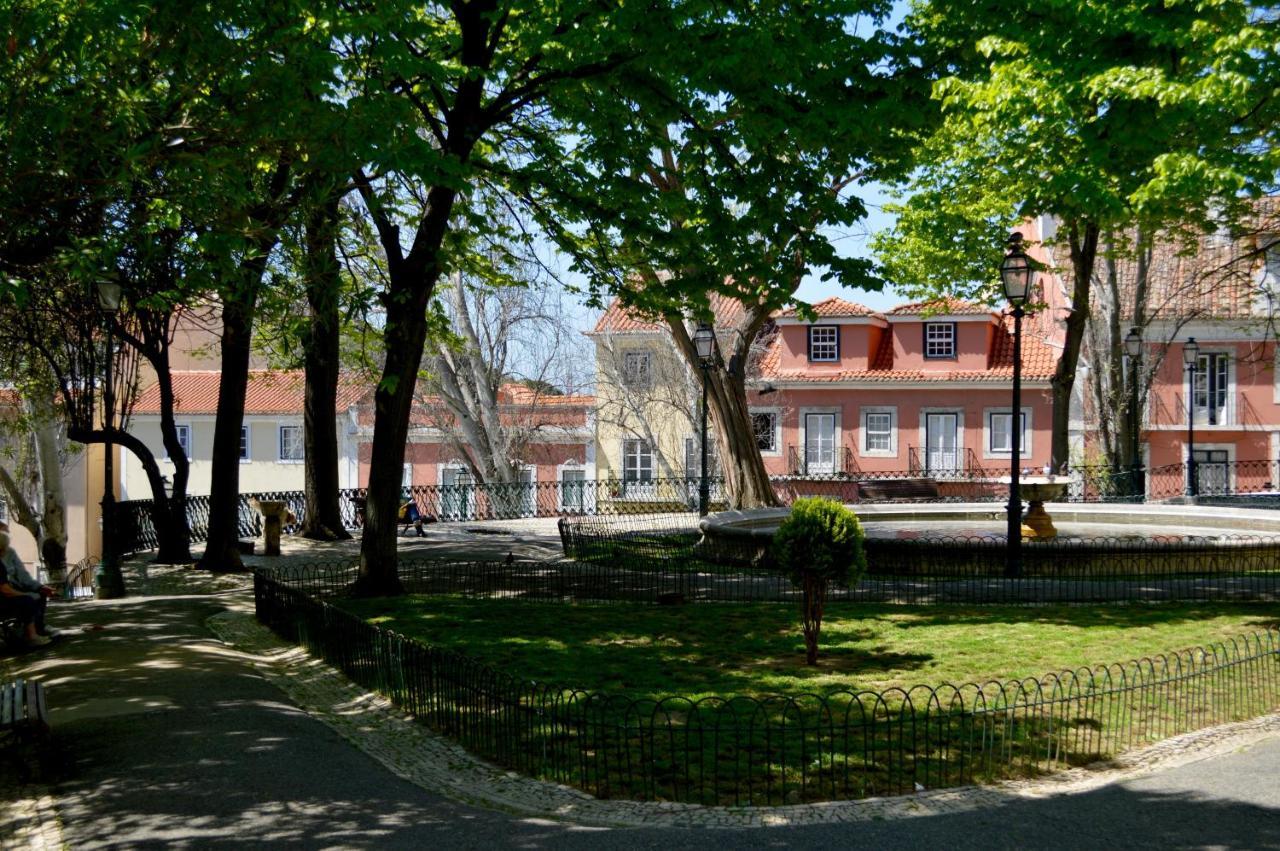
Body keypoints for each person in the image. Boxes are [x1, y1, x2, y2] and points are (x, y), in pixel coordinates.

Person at [0, 522, 56, 648]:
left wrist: (39, 587)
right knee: (27, 600)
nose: (8, 535)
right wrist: (26, 595)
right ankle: (31, 636)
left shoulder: (10, 553)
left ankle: (38, 627)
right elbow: (5, 590)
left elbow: (23, 575)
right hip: (5, 594)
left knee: (40, 594)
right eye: (4, 533)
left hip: (12, 588)